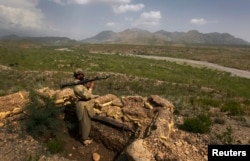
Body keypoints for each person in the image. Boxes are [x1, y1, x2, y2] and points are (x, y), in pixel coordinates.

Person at [73, 68, 97, 146]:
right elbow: (86, 95)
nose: (82, 75)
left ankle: (82, 136)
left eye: (82, 74)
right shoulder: (77, 86)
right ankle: (85, 140)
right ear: (76, 76)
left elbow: (86, 92)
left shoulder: (81, 84)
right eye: (79, 74)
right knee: (85, 123)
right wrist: (91, 87)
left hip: (86, 105)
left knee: (85, 123)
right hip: (82, 106)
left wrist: (87, 86)